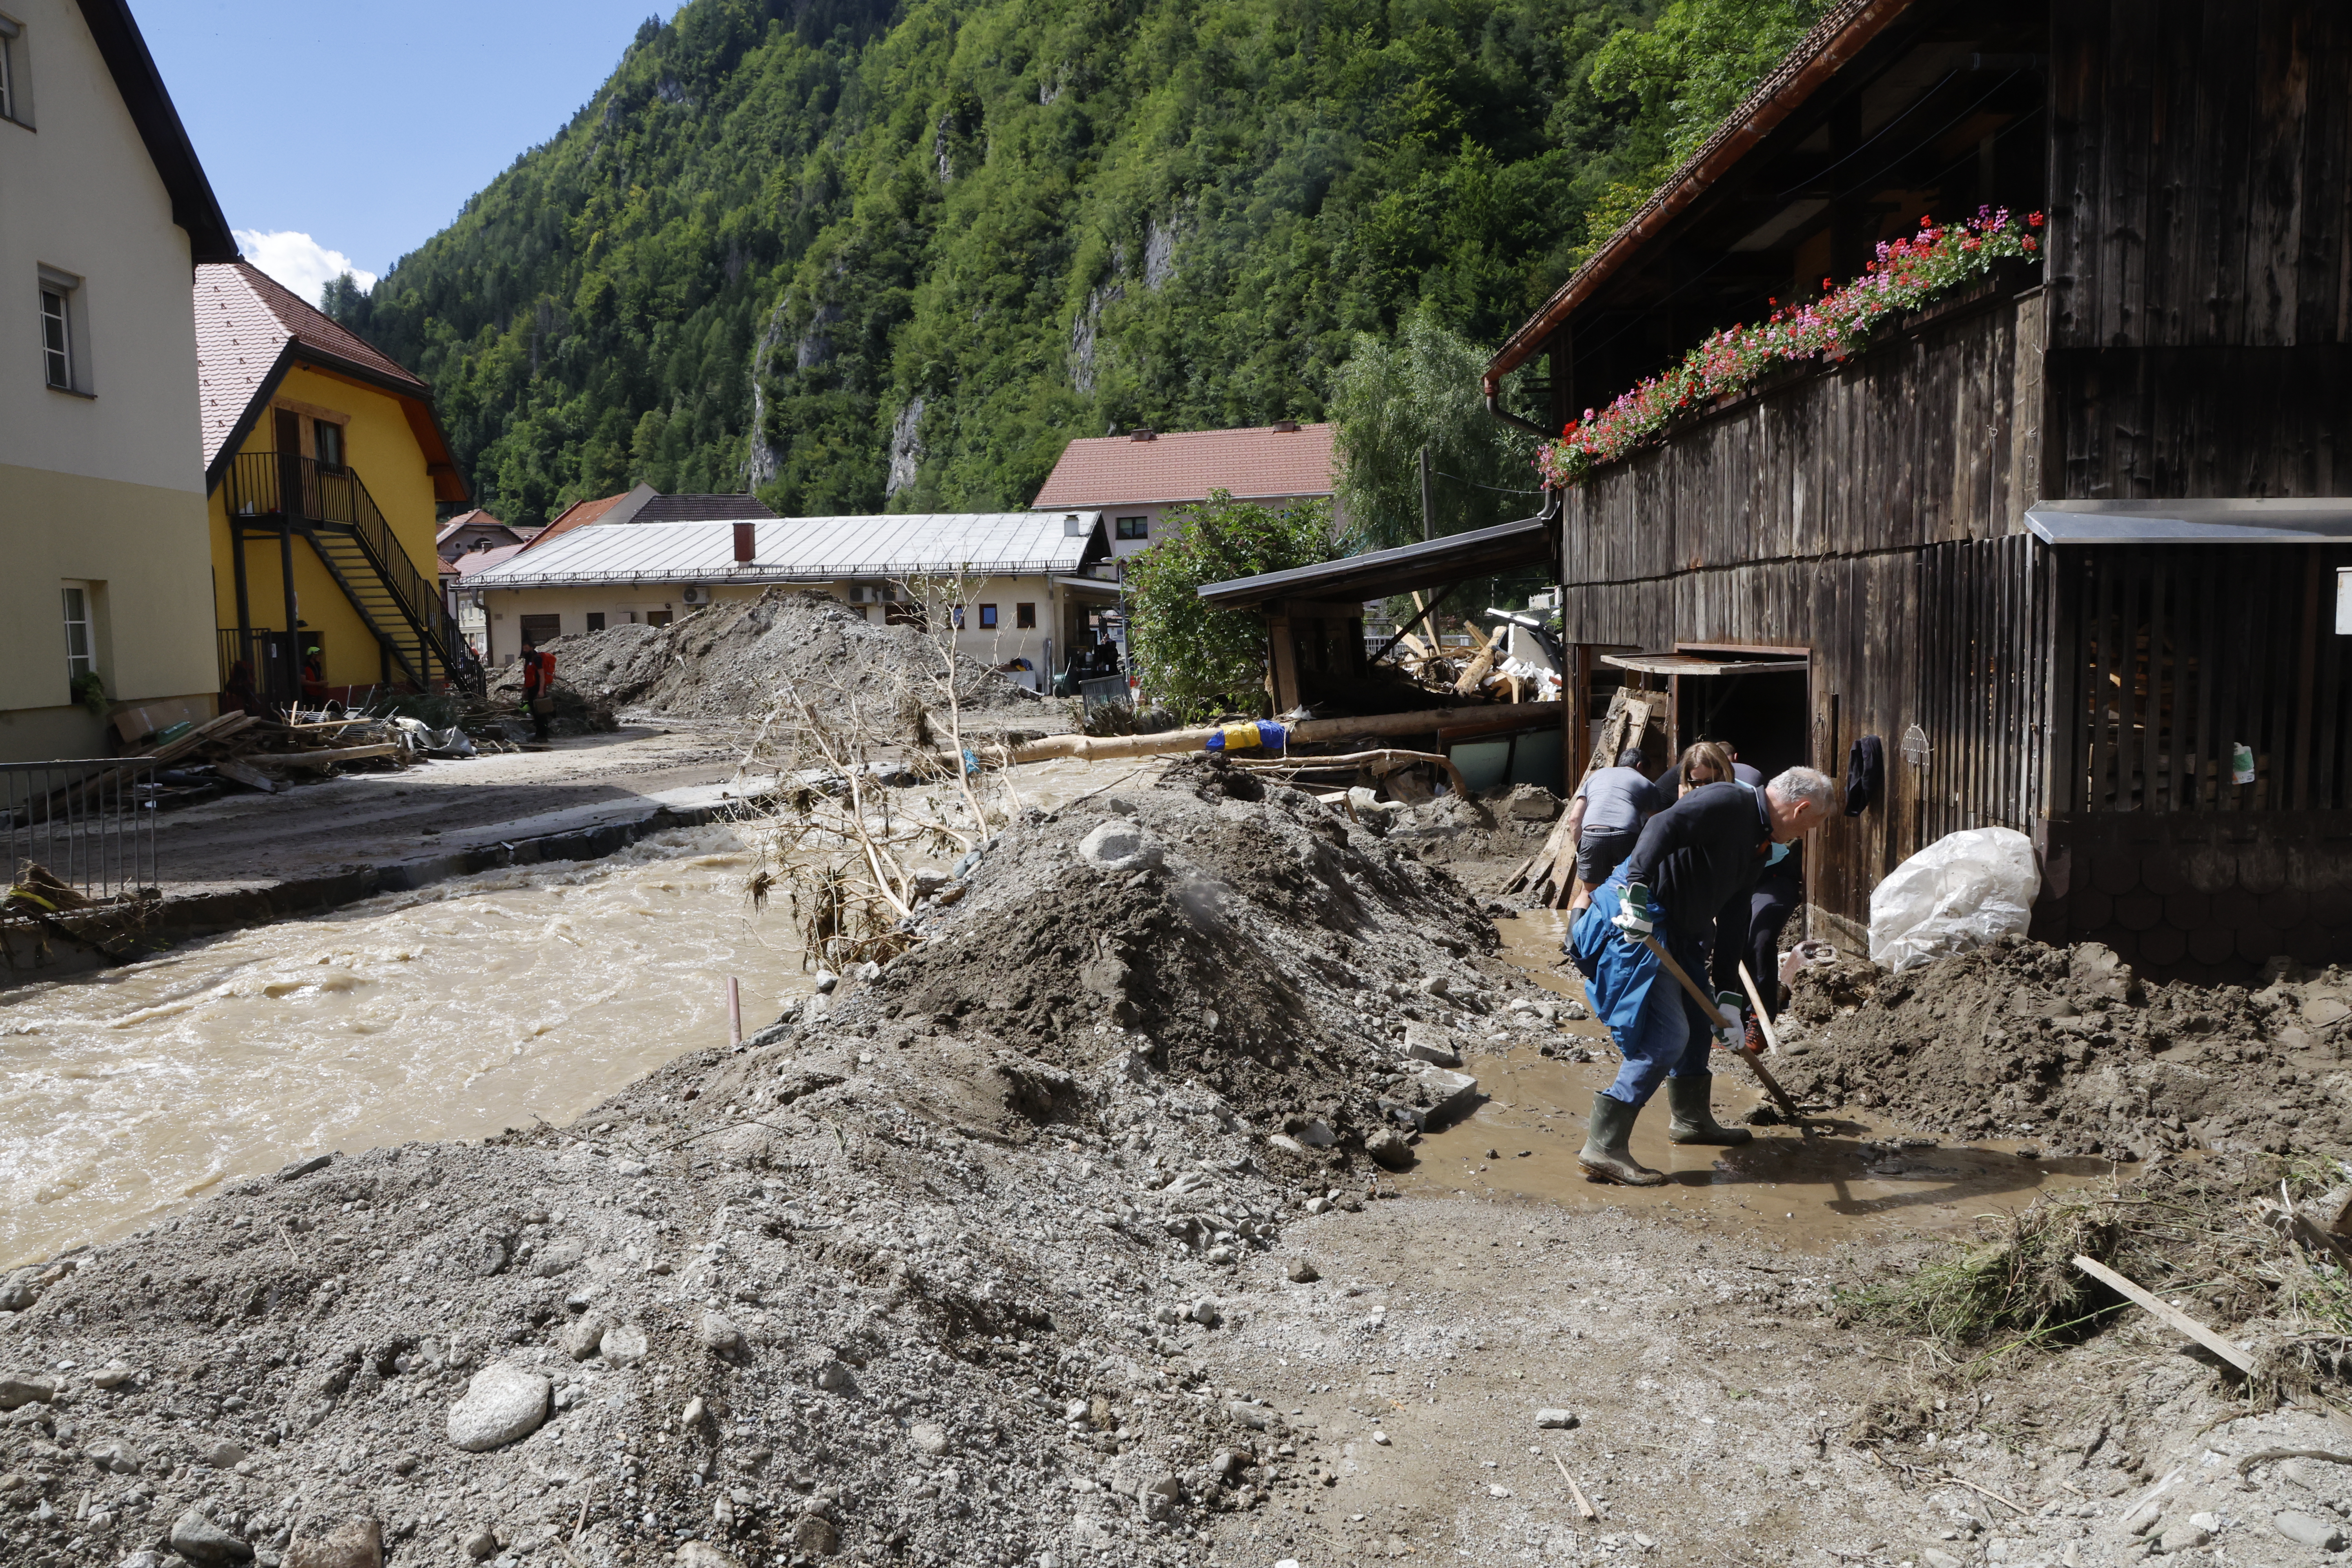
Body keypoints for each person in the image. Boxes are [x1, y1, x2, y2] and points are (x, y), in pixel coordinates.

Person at [1567, 766, 1835, 1185]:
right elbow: (1661, 825)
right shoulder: (1729, 801)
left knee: (1699, 1019)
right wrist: (1636, 889)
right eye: (1811, 825)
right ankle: (1603, 1148)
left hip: (1679, 930)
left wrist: (1727, 997)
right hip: (1638, 918)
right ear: (1800, 809)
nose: (1807, 834)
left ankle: (1691, 1121)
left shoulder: (1760, 844)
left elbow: (1735, 916)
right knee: (1665, 1038)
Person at [1561, 748, 1672, 911]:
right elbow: (1656, 824)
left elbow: (1574, 819)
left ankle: (1574, 929)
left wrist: (1581, 850)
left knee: (1588, 892)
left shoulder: (1597, 776)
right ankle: (1625, 925)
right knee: (1628, 889)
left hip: (1592, 835)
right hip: (1626, 835)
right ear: (1640, 766)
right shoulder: (1647, 784)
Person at [519, 639, 557, 740]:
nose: (525, 650)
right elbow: (527, 676)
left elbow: (542, 676)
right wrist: (525, 690)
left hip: (538, 688)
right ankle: (538, 735)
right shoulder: (528, 660)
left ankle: (543, 736)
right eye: (524, 648)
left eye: (527, 648)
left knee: (541, 713)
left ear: (532, 648)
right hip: (531, 689)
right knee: (535, 713)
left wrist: (541, 691)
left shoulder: (537, 659)